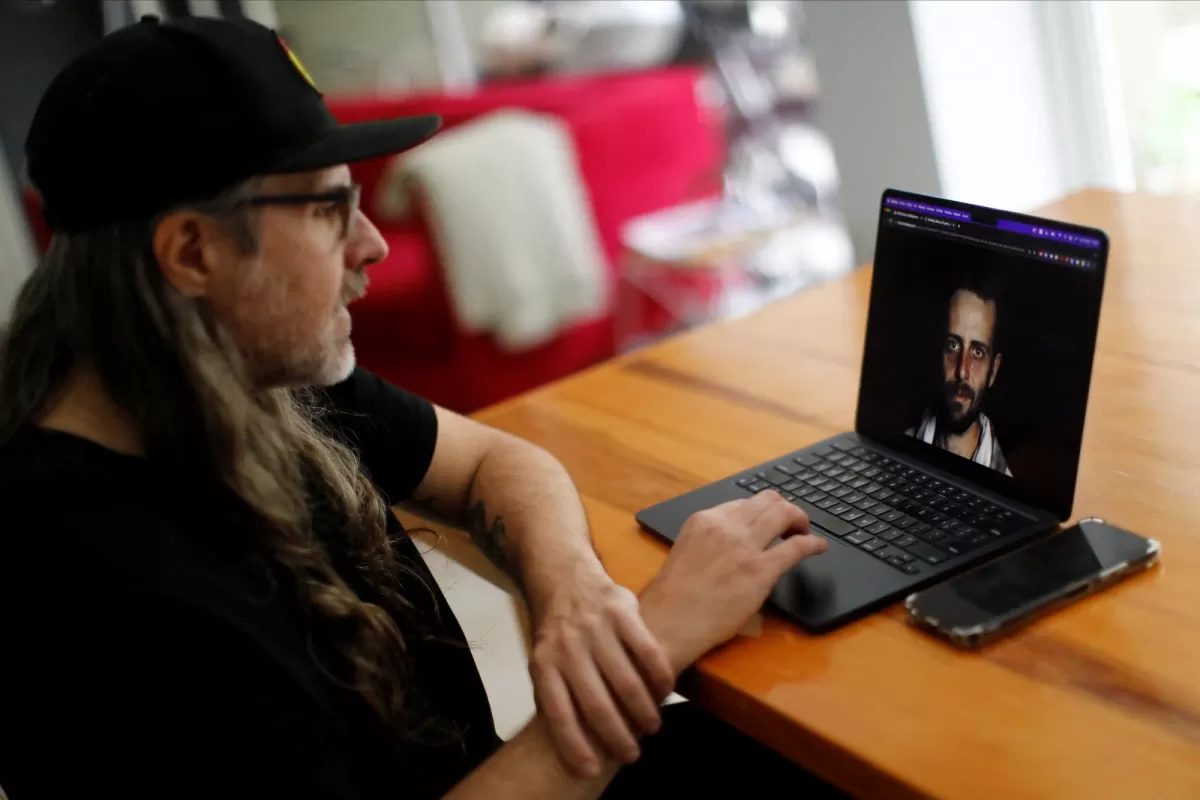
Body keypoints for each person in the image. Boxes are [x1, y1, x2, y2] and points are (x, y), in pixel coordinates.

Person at [0, 15, 839, 800]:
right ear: (192, 251)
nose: (373, 243)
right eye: (330, 209)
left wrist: (573, 592)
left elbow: (490, 461)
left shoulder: (248, 384)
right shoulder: (96, 594)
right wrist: (656, 640)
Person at [908, 279, 1011, 475]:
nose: (962, 372)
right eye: (953, 345)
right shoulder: (897, 449)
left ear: (994, 370)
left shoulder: (1007, 484)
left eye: (978, 352)